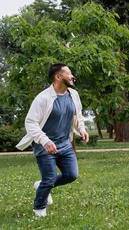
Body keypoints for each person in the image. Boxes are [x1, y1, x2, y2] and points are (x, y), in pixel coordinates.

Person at [16, 64, 89, 217]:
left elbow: (78, 115)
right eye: (69, 73)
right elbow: (30, 122)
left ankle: (41, 185)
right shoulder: (43, 98)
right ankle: (39, 210)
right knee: (49, 179)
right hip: (45, 146)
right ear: (58, 77)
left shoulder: (73, 95)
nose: (72, 76)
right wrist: (45, 141)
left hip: (64, 143)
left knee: (71, 175)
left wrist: (81, 129)